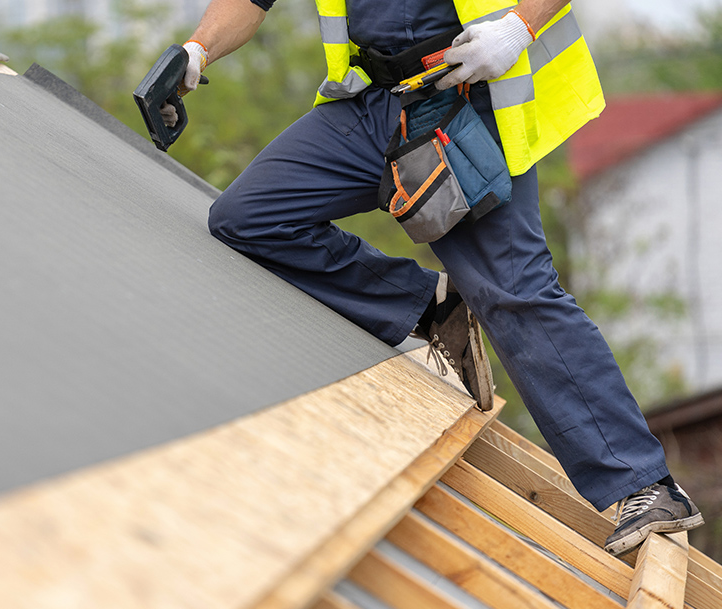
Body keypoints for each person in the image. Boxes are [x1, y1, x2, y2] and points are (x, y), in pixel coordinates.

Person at [160, 0, 705, 556]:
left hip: (465, 99)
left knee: (514, 290)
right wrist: (199, 48)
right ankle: (432, 306)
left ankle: (645, 485)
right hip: (375, 101)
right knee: (249, 219)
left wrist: (517, 28)